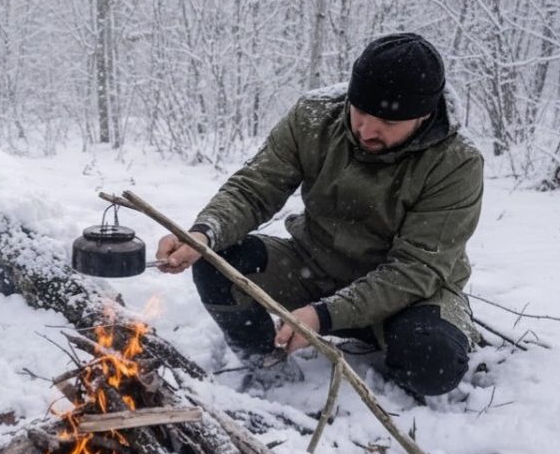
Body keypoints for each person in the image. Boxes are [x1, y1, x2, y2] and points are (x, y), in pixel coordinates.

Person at [156, 33, 483, 397]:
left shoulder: (456, 162)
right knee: (214, 260)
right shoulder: (314, 117)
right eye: (360, 111)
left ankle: (391, 364)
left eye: (388, 123)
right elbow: (255, 188)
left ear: (423, 115)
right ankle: (268, 367)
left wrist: (324, 316)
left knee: (432, 363)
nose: (367, 130)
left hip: (408, 296)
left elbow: (416, 270)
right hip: (315, 267)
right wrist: (203, 234)